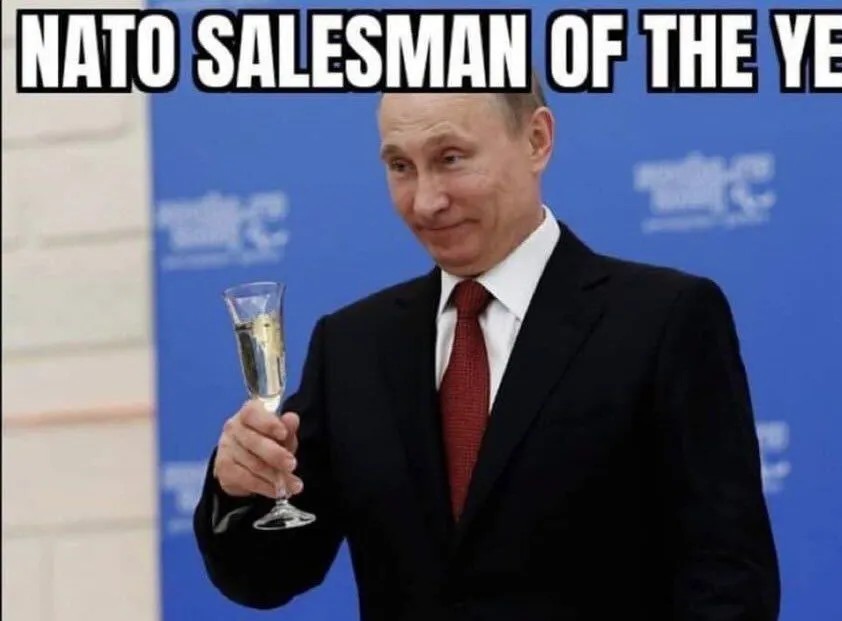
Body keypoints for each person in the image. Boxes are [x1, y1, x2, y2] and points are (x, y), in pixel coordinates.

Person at [193, 73, 781, 621]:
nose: (426, 201)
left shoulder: (664, 319)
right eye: (401, 166)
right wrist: (237, 487)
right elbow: (267, 575)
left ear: (536, 140)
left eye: (451, 159)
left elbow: (729, 579)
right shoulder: (352, 346)